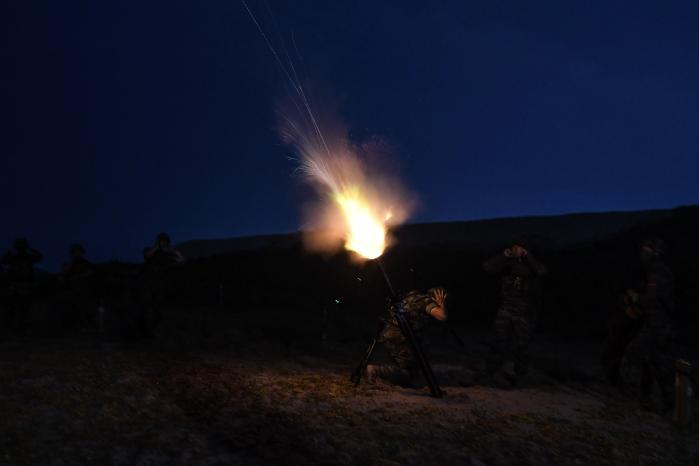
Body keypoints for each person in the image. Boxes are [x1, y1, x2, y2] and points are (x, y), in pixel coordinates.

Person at [484, 237, 547, 386]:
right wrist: (504, 255)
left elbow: (541, 271)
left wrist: (527, 256)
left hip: (525, 307)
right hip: (507, 306)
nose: (516, 251)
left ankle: (521, 375)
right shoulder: (508, 262)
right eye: (514, 248)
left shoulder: (531, 262)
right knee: (498, 340)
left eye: (519, 248)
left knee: (522, 344)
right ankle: (493, 372)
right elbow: (488, 267)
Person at [624, 238, 676, 412]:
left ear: (655, 253)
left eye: (646, 250)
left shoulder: (658, 273)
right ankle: (664, 402)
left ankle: (645, 398)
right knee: (656, 363)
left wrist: (636, 299)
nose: (643, 254)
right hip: (657, 324)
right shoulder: (656, 271)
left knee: (635, 354)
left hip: (658, 325)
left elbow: (653, 299)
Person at [366, 287, 448, 387]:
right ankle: (377, 370)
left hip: (391, 336)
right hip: (401, 340)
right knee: (409, 374)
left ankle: (391, 374)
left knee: (413, 368)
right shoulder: (426, 301)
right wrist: (441, 304)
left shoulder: (411, 298)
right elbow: (442, 316)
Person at [138, 232, 185, 337]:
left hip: (160, 286)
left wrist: (174, 251)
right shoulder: (150, 250)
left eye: (165, 241)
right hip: (147, 285)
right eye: (162, 241)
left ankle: (153, 331)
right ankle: (143, 330)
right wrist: (157, 247)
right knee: (145, 308)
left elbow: (182, 261)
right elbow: (146, 255)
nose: (164, 243)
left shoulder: (167, 256)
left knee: (158, 310)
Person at [0, 238, 43, 333]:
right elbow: (3, 260)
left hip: (25, 284)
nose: (21, 247)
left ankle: (20, 327)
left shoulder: (28, 257)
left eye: (22, 245)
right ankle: (11, 326)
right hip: (16, 284)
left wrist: (31, 250)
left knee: (24, 307)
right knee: (14, 306)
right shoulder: (15, 257)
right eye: (20, 245)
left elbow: (40, 257)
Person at [58, 244, 95, 330]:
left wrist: (79, 277)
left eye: (79, 252)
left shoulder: (87, 264)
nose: (77, 254)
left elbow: (91, 273)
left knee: (84, 310)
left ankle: (84, 327)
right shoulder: (69, 264)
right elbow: (62, 276)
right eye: (75, 252)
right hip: (70, 291)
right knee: (70, 310)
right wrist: (63, 275)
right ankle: (70, 327)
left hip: (83, 291)